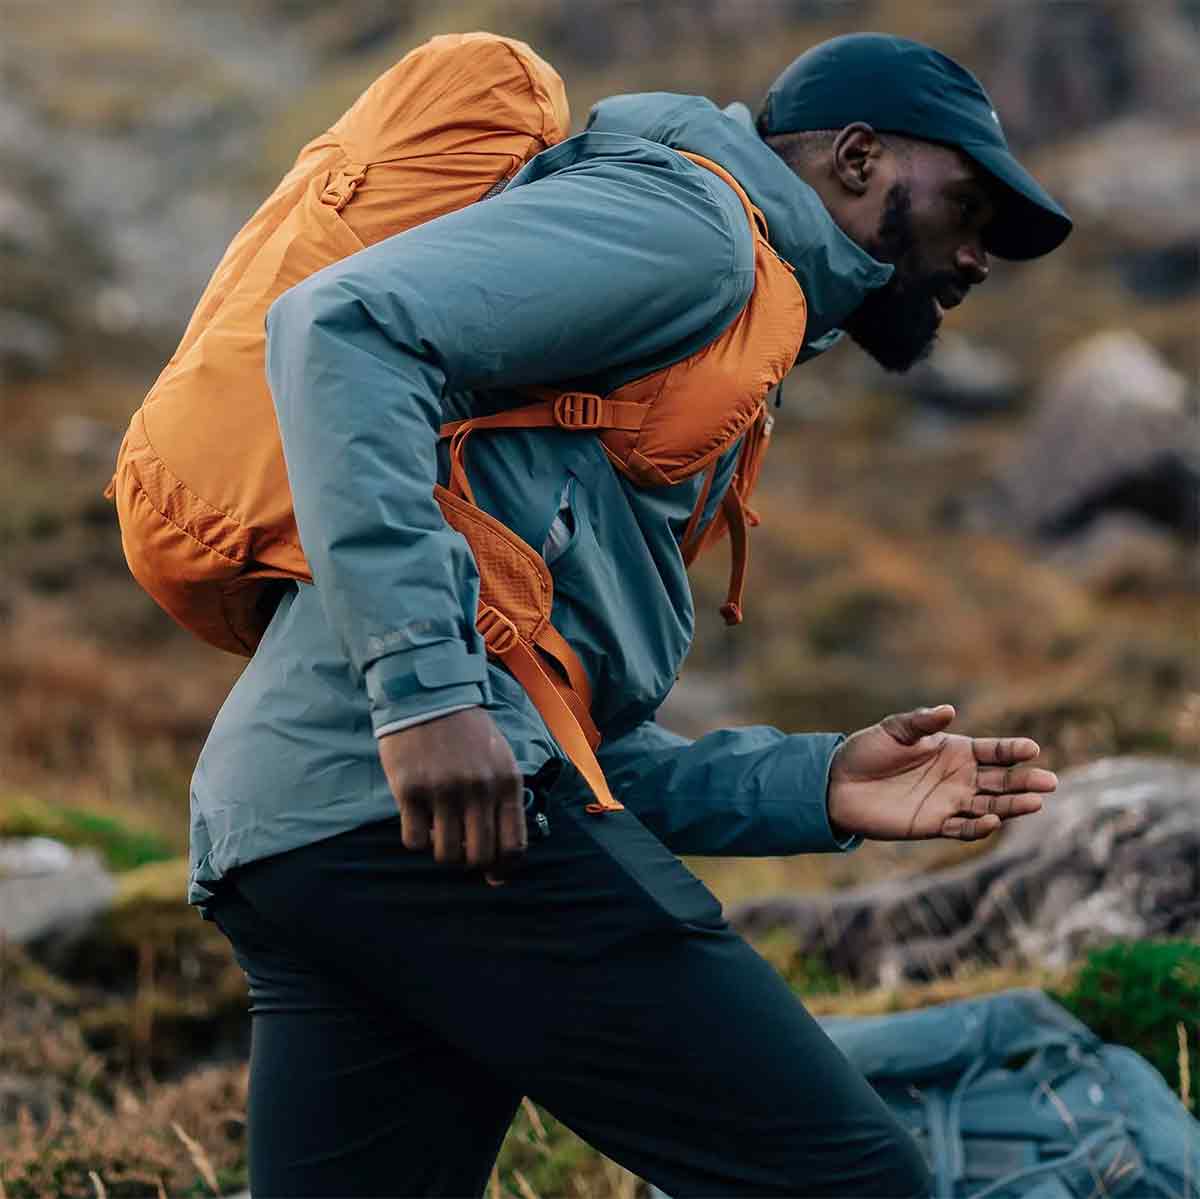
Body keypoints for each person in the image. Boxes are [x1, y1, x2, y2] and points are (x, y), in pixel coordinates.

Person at [192, 32, 1068, 1198]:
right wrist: (425, 696)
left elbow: (562, 727)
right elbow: (340, 325)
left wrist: (814, 783)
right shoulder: (696, 229)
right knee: (851, 1181)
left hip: (310, 824)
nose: (976, 256)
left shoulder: (723, 335)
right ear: (858, 159)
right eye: (969, 208)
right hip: (404, 813)